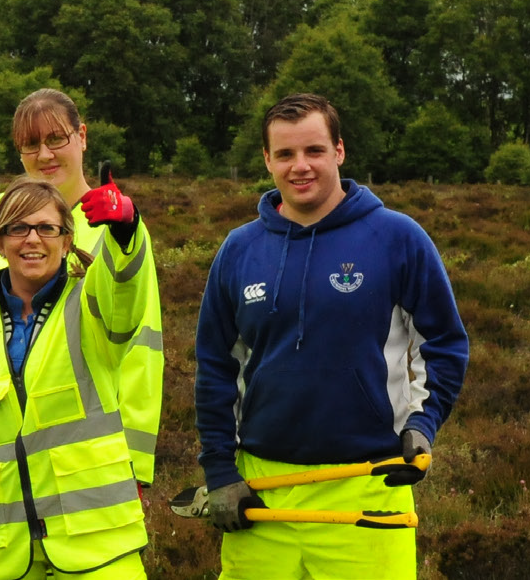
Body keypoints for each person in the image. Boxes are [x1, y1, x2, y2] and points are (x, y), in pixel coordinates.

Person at [195, 93, 468, 580]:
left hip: (367, 483)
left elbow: (444, 343)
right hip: (260, 492)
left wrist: (422, 425)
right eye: (285, 154)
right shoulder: (239, 250)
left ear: (339, 152)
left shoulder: (398, 237)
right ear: (267, 160)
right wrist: (220, 472)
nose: (300, 166)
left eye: (314, 151)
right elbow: (216, 366)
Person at [0, 178, 154, 580]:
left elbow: (124, 293)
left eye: (46, 228)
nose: (31, 239)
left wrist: (125, 233)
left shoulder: (92, 308)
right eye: (17, 228)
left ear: (68, 240)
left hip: (96, 548)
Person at [0, 89, 163, 496]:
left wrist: (135, 463)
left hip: (80, 463)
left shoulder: (114, 229)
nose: (44, 155)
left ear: (82, 136)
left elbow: (140, 347)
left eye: (56, 139)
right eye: (30, 144)